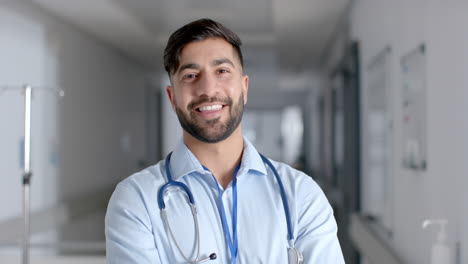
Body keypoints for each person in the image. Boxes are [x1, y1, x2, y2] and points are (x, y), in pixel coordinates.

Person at [105, 18, 345, 264]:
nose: (208, 88)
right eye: (190, 75)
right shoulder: (136, 201)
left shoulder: (301, 195)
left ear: (244, 88)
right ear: (172, 97)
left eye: (222, 71)